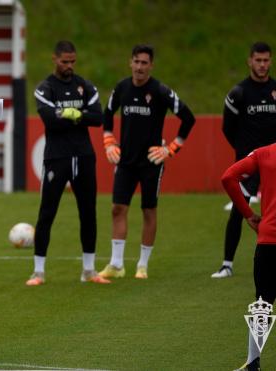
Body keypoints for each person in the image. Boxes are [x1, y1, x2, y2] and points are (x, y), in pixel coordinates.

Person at [98, 44, 196, 280]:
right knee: (117, 208)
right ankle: (117, 264)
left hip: (152, 161)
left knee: (148, 210)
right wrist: (109, 140)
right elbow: (108, 113)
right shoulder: (122, 88)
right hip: (126, 160)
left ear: (151, 65)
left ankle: (142, 265)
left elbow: (188, 118)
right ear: (130, 63)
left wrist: (171, 148)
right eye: (136, 62)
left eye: (144, 63)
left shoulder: (161, 91)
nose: (140, 67)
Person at [25, 40, 108, 286]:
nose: (69, 66)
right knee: (47, 213)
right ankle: (38, 272)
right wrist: (74, 116)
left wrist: (74, 115)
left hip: (83, 155)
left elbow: (97, 118)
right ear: (55, 59)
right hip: (56, 157)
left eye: (72, 61)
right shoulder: (45, 88)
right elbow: (50, 120)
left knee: (88, 213)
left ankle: (89, 270)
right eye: (64, 61)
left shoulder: (85, 85)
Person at [212, 41, 276, 279]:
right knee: (238, 210)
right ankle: (227, 264)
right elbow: (227, 128)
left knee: (275, 214)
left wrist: (272, 151)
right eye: (258, 60)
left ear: (271, 61)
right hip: (248, 162)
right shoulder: (239, 93)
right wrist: (243, 152)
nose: (262, 64)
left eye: (266, 60)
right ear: (250, 61)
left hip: (273, 164)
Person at [221, 130, 276, 371]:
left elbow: (228, 177)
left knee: (263, 300)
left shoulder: (266, 152)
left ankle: (253, 363)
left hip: (268, 238)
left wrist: (248, 214)